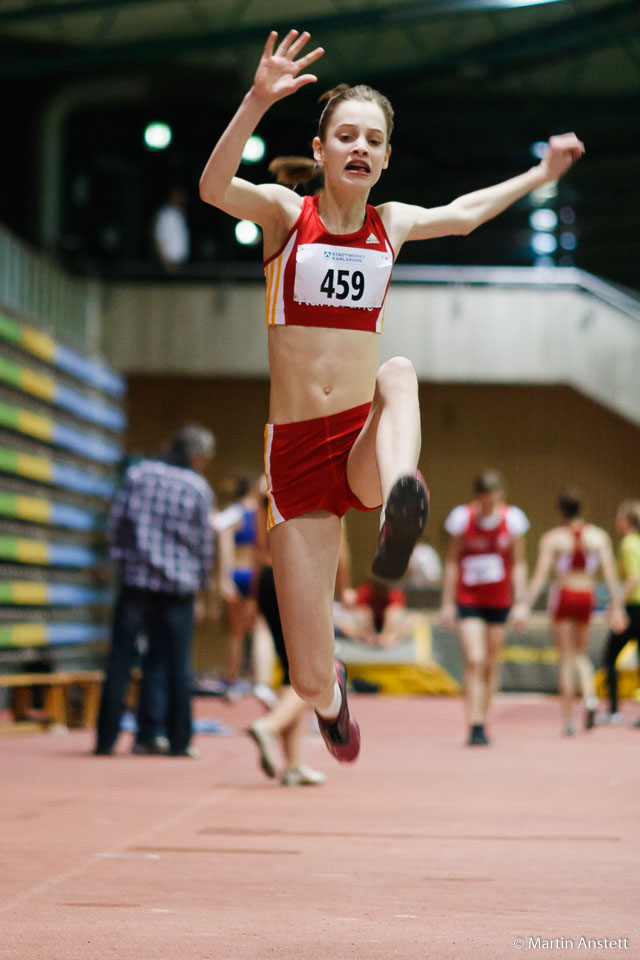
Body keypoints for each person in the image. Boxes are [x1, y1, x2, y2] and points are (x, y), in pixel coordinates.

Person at [198, 28, 584, 764]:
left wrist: (542, 174)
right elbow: (215, 189)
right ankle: (330, 697)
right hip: (295, 457)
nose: (360, 147)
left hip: (361, 442)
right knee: (308, 679)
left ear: (385, 158)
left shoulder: (391, 226)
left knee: (397, 370)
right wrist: (255, 99)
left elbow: (466, 212)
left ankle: (404, 493)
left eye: (373, 139)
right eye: (345, 135)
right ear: (320, 149)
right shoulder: (286, 217)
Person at [95, 424, 215, 757]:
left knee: (119, 659)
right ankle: (180, 741)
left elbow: (116, 524)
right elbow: (204, 544)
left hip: (136, 583)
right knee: (177, 663)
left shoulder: (138, 475)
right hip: (178, 588)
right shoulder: (197, 488)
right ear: (195, 456)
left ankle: (106, 739)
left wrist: (124, 561)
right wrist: (202, 585)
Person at [523, 489, 626, 736]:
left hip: (564, 595)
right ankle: (590, 697)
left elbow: (540, 576)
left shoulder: (553, 539)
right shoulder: (598, 537)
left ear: (560, 511)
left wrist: (524, 604)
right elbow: (611, 574)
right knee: (580, 654)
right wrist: (618, 606)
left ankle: (568, 720)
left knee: (566, 657)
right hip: (586, 596)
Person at [246, 480, 326, 786]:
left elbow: (257, 545)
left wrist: (256, 594)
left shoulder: (264, 482)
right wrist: (340, 591)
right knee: (317, 673)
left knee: (293, 672)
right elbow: (339, 549)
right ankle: (270, 725)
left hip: (269, 576)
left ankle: (293, 764)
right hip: (299, 574)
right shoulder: (316, 470)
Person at [440, 470, 529, 746]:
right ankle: (474, 722)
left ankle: (484, 717)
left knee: (490, 663)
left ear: (500, 495)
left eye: (493, 498)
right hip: (469, 600)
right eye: (484, 499)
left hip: (499, 601)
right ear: (477, 497)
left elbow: (520, 563)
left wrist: (522, 603)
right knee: (475, 659)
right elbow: (453, 561)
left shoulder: (512, 520)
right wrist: (447, 603)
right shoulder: (461, 519)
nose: (488, 504)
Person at [214, 472, 276, 706]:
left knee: (236, 632)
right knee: (262, 628)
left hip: (238, 572)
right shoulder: (266, 513)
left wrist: (223, 577)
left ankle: (231, 682)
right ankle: (262, 682)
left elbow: (223, 538)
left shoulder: (234, 513)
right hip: (258, 573)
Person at [599, 500, 640, 725]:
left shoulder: (628, 544)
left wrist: (617, 605)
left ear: (626, 520)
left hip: (634, 609)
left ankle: (614, 710)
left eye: (619, 517)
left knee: (609, 657)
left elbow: (634, 578)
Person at [152, 186, 190, 273]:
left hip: (180, 261)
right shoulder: (165, 214)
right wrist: (164, 260)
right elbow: (159, 237)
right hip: (168, 261)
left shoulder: (180, 214)